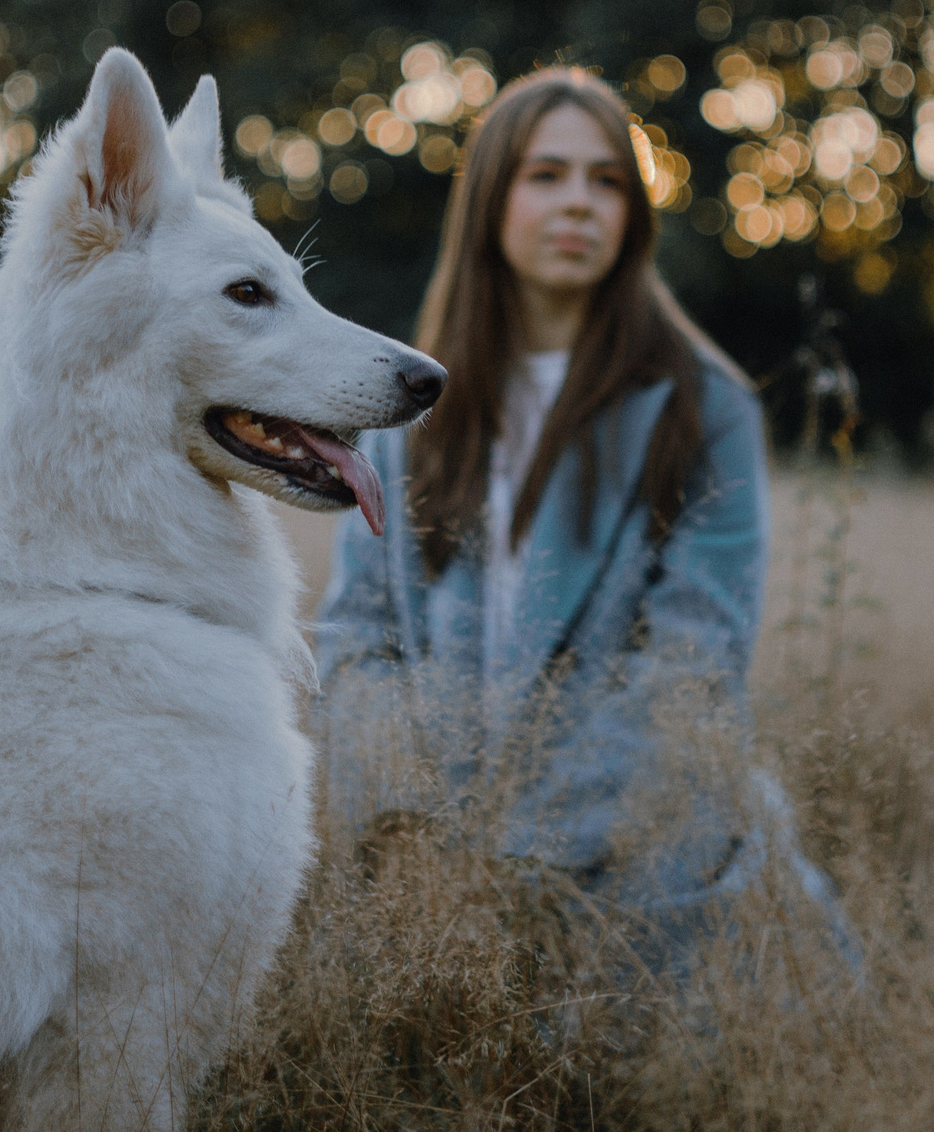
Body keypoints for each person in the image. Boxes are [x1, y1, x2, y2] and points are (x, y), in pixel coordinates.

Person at [313, 66, 841, 977]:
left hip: (649, 885)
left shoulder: (705, 407)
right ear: (490, 199)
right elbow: (358, 639)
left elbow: (690, 664)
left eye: (607, 182)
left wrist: (519, 857)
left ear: (635, 213)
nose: (579, 204)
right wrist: (410, 830)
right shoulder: (414, 402)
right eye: (546, 175)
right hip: (434, 884)